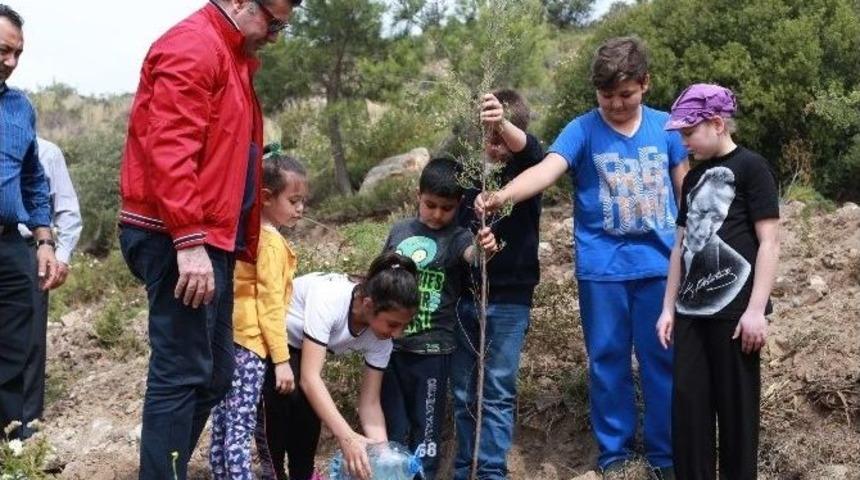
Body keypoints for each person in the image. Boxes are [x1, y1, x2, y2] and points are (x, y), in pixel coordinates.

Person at [475, 37, 689, 478]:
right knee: (607, 360)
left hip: (662, 268)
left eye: (625, 95)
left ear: (645, 84)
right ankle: (616, 457)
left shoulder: (668, 129)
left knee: (662, 361)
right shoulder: (582, 130)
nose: (615, 104)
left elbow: (687, 194)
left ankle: (666, 457)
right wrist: (502, 196)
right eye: (606, 96)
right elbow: (545, 169)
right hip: (602, 270)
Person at [117, 1, 299, 477]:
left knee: (217, 371)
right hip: (176, 235)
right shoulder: (194, 45)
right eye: (274, 22)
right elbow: (171, 145)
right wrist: (188, 239)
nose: (277, 35)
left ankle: (168, 468)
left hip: (208, 236)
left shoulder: (230, 54)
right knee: (181, 371)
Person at [656, 84, 780, 480]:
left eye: (689, 133)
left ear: (717, 123)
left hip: (736, 316)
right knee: (689, 411)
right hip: (691, 313)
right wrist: (666, 308)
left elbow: (769, 243)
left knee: (736, 414)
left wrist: (757, 310)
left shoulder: (753, 167)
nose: (684, 141)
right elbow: (679, 247)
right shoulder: (692, 179)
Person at [380, 157, 497, 480]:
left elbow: (472, 254)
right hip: (390, 350)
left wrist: (483, 246)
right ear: (418, 195)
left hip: (434, 351)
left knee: (427, 431)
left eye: (446, 208)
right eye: (430, 205)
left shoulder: (458, 237)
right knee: (394, 427)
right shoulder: (400, 230)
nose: (436, 214)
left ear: (458, 205)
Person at [255, 252, 420, 480]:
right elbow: (310, 379)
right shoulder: (330, 297)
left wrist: (383, 458)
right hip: (270, 342)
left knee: (308, 425)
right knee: (284, 405)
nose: (397, 333)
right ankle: (272, 472)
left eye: (403, 326)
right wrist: (347, 437)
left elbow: (370, 403)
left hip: (302, 349)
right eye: (393, 324)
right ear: (368, 303)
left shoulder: (381, 337)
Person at [452, 89, 544, 480]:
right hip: (464, 299)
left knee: (497, 390)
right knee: (462, 393)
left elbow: (533, 151)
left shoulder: (529, 171)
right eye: (487, 137)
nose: (495, 146)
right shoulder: (465, 180)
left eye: (501, 137)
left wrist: (501, 121)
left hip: (509, 299)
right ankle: (463, 468)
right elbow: (452, 235)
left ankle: (491, 471)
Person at [209, 146, 308, 479]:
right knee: (240, 425)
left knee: (224, 423)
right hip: (250, 345)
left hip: (228, 337)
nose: (300, 209)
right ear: (266, 197)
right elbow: (269, 306)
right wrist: (281, 360)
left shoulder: (247, 234)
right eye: (293, 202)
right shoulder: (271, 243)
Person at [0, 4, 61, 440]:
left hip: (9, 245)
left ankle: (14, 445)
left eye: (17, 53)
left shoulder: (20, 108)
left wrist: (44, 238)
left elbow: (33, 177)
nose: (11, 61)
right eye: (3, 50)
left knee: (17, 350)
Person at [19, 137, 82, 439]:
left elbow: (67, 209)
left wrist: (63, 255)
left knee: (30, 341)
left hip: (29, 248)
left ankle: (26, 431)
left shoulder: (47, 152)